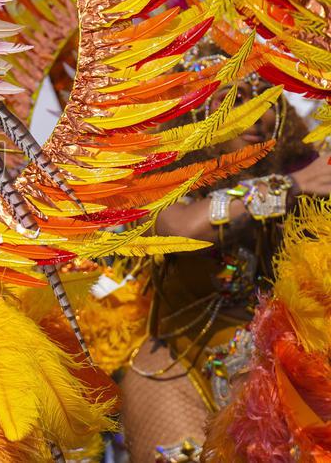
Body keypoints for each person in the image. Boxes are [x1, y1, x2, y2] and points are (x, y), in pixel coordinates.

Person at [117, 57, 331, 462]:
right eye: (235, 101)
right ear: (199, 114)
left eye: (265, 101)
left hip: (268, 374)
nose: (256, 116)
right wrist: (289, 186)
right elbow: (183, 228)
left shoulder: (297, 182)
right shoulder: (157, 182)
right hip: (174, 372)